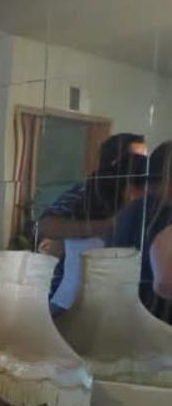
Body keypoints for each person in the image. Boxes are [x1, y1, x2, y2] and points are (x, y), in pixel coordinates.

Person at [36, 132, 148, 310]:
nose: (143, 164)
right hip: (69, 302)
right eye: (137, 158)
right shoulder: (86, 193)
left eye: (145, 158)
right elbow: (44, 226)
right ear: (114, 161)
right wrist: (106, 226)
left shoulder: (146, 200)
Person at [114, 141, 172, 318]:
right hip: (157, 324)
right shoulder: (162, 215)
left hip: (130, 319)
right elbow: (166, 284)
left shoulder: (135, 210)